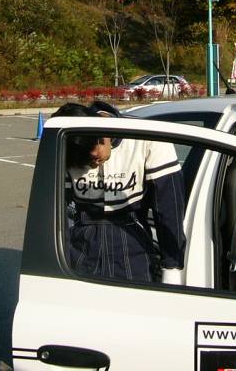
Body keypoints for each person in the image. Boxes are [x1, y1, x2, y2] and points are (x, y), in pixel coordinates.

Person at [51, 101, 186, 283]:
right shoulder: (66, 139)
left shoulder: (147, 137)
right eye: (84, 162)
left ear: (102, 136)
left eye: (94, 155)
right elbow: (56, 210)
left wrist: (172, 266)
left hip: (133, 241)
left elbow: (169, 207)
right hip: (81, 245)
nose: (93, 162)